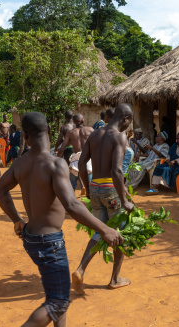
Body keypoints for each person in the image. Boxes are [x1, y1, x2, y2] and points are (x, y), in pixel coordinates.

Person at [0, 112, 122, 327]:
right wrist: (104, 229)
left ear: (24, 136)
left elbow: (0, 190)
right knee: (58, 302)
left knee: (56, 293)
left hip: (31, 238)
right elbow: (71, 205)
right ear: (51, 131)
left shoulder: (20, 163)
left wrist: (16, 219)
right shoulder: (55, 164)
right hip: (49, 242)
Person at [72, 103, 135, 294]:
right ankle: (115, 279)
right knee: (120, 233)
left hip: (96, 187)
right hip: (111, 190)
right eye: (129, 122)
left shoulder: (95, 134)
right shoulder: (119, 136)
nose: (128, 127)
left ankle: (80, 269)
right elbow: (116, 170)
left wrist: (88, 190)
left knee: (100, 230)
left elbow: (82, 163)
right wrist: (124, 199)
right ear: (125, 119)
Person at [58, 114, 94, 190]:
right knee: (90, 184)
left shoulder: (70, 133)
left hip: (75, 160)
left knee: (72, 185)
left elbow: (62, 148)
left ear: (74, 122)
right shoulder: (90, 130)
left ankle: (71, 200)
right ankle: (91, 200)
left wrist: (56, 159)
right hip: (87, 159)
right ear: (83, 121)